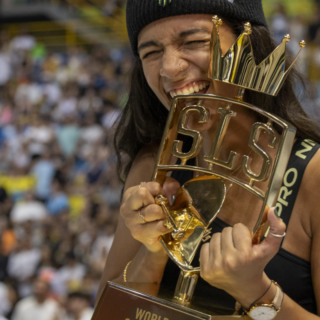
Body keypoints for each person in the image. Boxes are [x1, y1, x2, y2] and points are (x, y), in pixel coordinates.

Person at [97, 1, 320, 319]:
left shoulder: (313, 175)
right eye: (151, 52)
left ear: (248, 47)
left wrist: (255, 292)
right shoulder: (152, 167)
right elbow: (108, 314)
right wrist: (153, 251)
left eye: (193, 42)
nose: (169, 68)